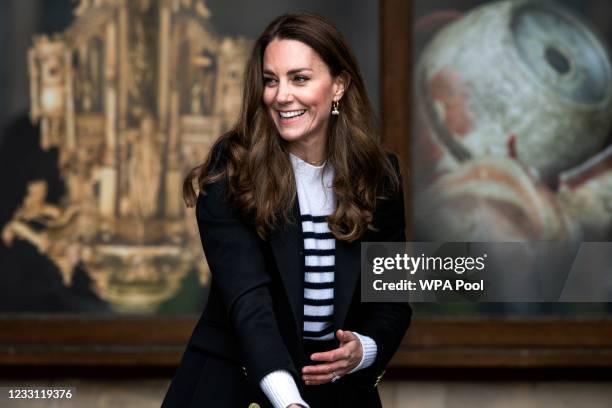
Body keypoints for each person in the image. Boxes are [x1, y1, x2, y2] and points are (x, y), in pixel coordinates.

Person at [161, 12, 411, 408]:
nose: (281, 95)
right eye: (271, 80)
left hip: (339, 390)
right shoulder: (231, 169)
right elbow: (249, 302)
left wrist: (363, 349)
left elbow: (393, 298)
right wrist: (287, 399)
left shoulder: (378, 174)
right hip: (236, 382)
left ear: (339, 86)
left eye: (300, 78)